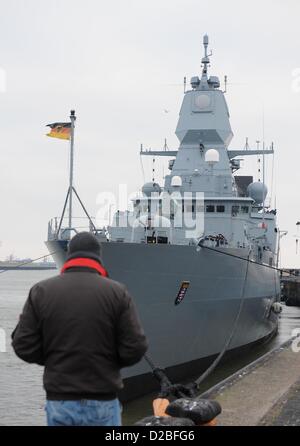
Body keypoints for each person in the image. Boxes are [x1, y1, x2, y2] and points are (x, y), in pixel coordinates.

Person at [11, 232, 148, 426]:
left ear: (69, 255)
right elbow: (136, 346)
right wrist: (109, 363)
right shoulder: (117, 292)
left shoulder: (41, 291)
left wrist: (53, 358)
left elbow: (22, 345)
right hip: (103, 401)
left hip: (60, 401)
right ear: (98, 256)